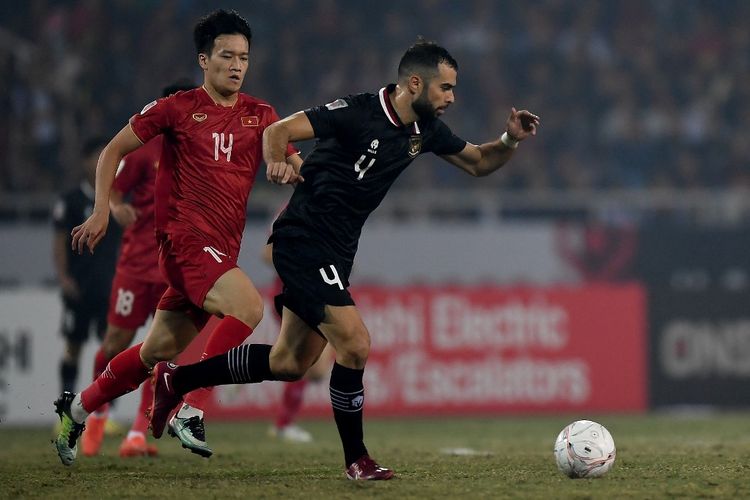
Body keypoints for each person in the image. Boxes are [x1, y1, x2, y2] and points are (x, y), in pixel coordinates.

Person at [148, 39, 540, 480]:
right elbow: (277, 131)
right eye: (445, 88)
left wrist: (510, 139)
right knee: (354, 343)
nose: (451, 97)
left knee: (289, 362)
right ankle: (357, 459)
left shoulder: (424, 131)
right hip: (303, 238)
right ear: (415, 82)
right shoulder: (356, 111)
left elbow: (480, 162)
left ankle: (175, 381)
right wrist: (276, 163)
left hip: (337, 250)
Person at [52, 9, 301, 466]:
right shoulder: (177, 109)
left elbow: (289, 162)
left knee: (152, 353)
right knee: (247, 307)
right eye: (226, 56)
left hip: (218, 252)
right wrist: (102, 209)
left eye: (243, 57)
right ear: (204, 60)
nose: (236, 65)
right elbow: (113, 150)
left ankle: (75, 409)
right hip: (183, 242)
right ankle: (191, 404)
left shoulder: (262, 115)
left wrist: (287, 168)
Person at [80, 80, 196, 459]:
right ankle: (94, 417)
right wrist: (113, 208)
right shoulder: (145, 149)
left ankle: (136, 434)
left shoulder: (200, 150)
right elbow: (114, 187)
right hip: (135, 265)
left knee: (158, 351)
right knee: (116, 343)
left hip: (172, 266)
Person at [52, 137, 120, 402]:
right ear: (86, 161)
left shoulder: (117, 199)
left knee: (111, 348)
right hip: (79, 286)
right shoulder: (70, 200)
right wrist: (64, 277)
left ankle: (106, 412)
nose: (102, 161)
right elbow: (58, 243)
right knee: (73, 347)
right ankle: (65, 404)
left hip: (110, 286)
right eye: (98, 156)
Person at [261, 240, 335, 444]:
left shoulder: (328, 211)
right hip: (294, 293)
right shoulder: (291, 212)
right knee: (302, 359)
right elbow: (268, 254)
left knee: (316, 370)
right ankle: (284, 425)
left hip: (318, 291)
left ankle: (241, 366)